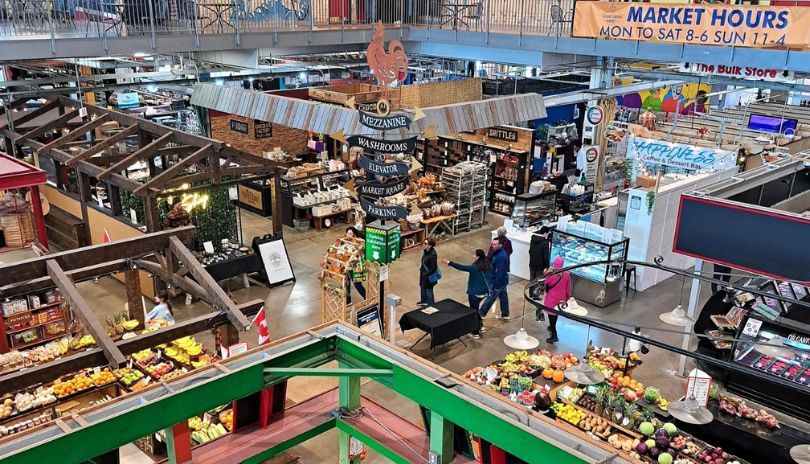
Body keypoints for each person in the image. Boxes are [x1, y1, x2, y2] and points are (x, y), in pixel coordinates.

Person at [443, 250, 491, 339]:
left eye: (475, 255)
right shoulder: (487, 265)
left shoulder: (474, 267)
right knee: (476, 310)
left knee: (473, 312)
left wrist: (449, 262)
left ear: (478, 257)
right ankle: (480, 326)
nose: (473, 256)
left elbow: (461, 267)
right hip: (484, 292)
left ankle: (475, 332)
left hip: (474, 293)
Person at [479, 238, 510, 320]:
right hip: (501, 281)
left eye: (495, 244)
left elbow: (500, 272)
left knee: (491, 297)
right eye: (492, 244)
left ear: (500, 245)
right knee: (503, 296)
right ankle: (505, 314)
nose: (493, 246)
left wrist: (497, 286)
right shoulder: (496, 252)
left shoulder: (501, 256)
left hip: (497, 282)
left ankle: (481, 313)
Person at [543, 256, 572, 344]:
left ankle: (554, 335)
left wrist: (546, 272)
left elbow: (546, 282)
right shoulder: (567, 275)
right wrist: (567, 298)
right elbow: (568, 288)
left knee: (551, 315)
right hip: (561, 299)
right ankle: (552, 327)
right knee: (555, 314)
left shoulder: (552, 274)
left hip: (552, 298)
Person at [528, 226, 552, 319]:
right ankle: (535, 295)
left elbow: (530, 251)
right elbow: (546, 256)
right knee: (538, 280)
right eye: (548, 233)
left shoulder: (533, 239)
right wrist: (547, 266)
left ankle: (530, 293)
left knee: (532, 279)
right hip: (540, 265)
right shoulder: (545, 243)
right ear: (545, 233)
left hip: (532, 263)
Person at [345, 227, 367, 304]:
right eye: (347, 233)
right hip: (347, 267)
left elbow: (362, 251)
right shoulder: (345, 242)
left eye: (350, 233)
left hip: (356, 267)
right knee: (346, 284)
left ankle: (367, 298)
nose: (348, 235)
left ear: (354, 235)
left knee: (357, 285)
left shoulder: (359, 242)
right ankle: (348, 301)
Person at [418, 238, 438, 306]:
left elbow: (433, 268)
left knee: (429, 290)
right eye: (423, 243)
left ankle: (431, 305)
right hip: (423, 273)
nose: (423, 244)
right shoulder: (426, 251)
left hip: (429, 276)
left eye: (425, 243)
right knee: (422, 286)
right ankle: (424, 301)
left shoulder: (433, 255)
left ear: (430, 245)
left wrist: (426, 274)